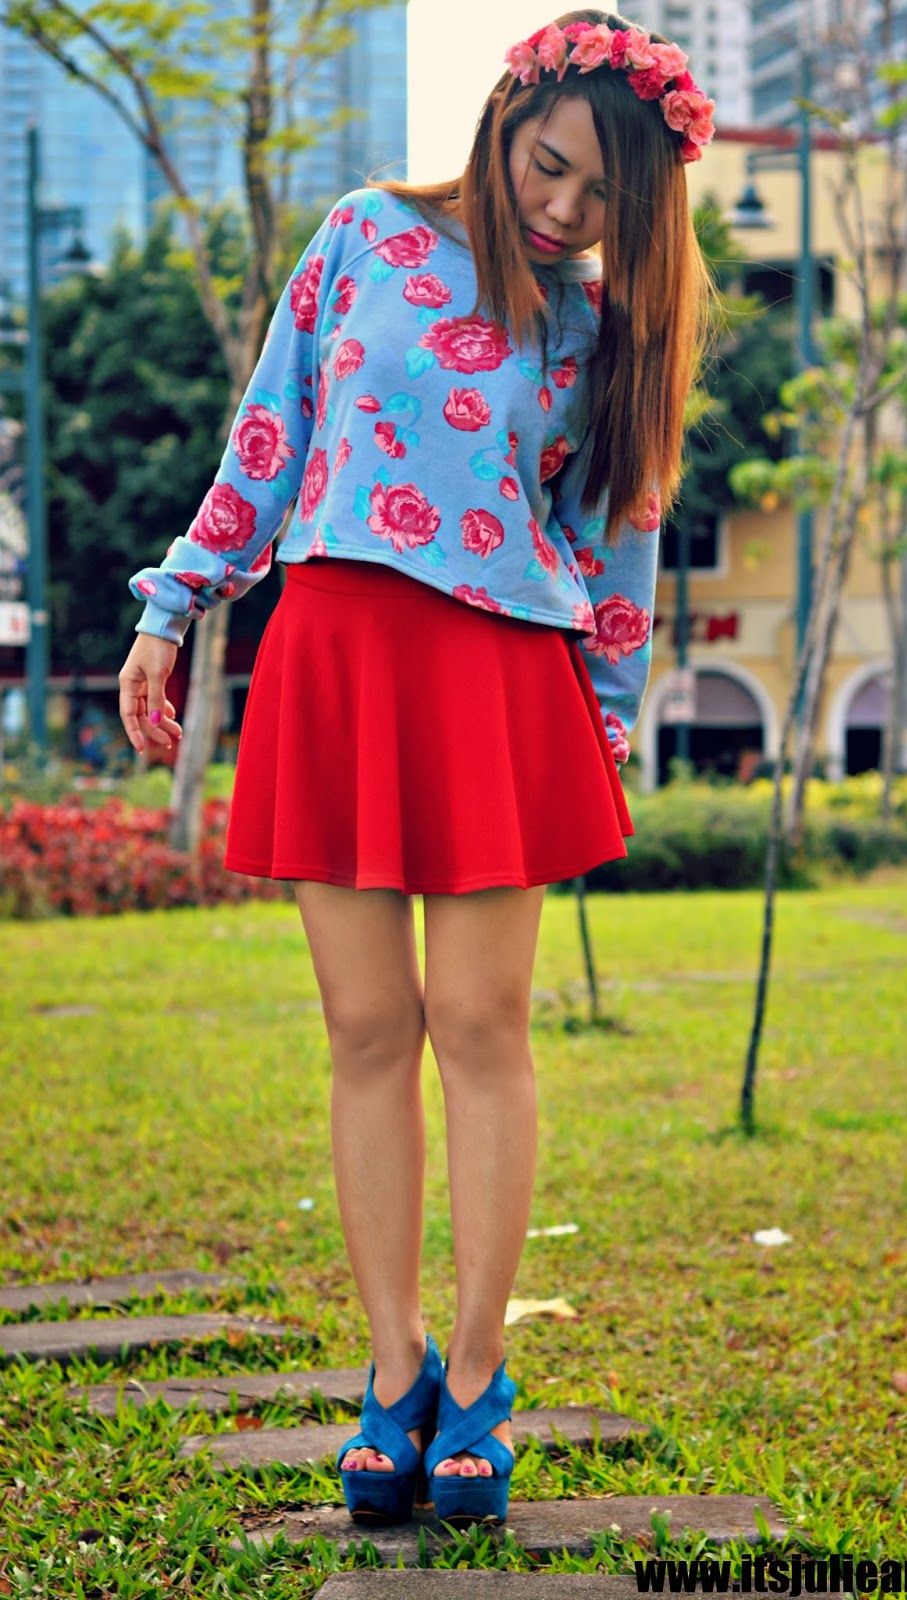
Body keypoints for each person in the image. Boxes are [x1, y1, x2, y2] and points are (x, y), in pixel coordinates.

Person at [117, 7, 715, 1529]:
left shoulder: (606, 327)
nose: (564, 210)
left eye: (604, 197)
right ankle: (392, 1373)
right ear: (505, 117)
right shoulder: (365, 236)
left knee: (480, 1023)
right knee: (367, 1025)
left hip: (501, 672)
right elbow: (269, 436)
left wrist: (605, 723)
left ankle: (480, 1375)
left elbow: (617, 543)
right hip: (334, 648)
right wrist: (175, 606)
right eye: (549, 165)